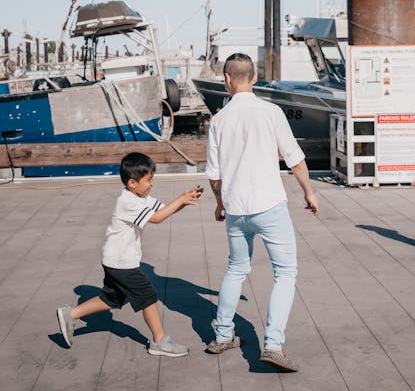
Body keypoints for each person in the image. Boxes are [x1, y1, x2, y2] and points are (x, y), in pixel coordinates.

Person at [205, 52, 319, 372]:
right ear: (254, 77)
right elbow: (294, 158)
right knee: (285, 273)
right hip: (269, 205)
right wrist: (309, 192)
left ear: (227, 80)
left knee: (237, 268)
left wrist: (219, 202)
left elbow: (214, 174)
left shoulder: (219, 120)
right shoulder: (271, 112)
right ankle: (272, 345)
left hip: (236, 209)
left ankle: (224, 334)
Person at [56, 152, 203, 355]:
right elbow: (158, 218)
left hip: (115, 260)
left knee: (112, 299)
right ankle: (159, 341)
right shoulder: (128, 202)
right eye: (149, 179)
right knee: (148, 296)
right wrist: (180, 199)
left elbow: (162, 211)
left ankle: (70, 314)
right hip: (121, 262)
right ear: (133, 183)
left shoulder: (140, 196)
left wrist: (184, 202)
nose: (152, 183)